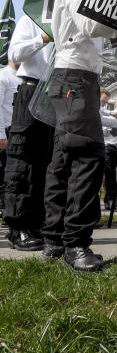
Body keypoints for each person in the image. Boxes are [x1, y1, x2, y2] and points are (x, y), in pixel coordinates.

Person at [43, 0, 117, 271]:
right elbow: (89, 25)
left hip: (74, 76)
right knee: (88, 156)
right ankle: (76, 244)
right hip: (75, 76)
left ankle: (55, 239)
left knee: (64, 158)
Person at [3, 14, 54, 251]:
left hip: (55, 94)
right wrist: (43, 37)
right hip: (31, 89)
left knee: (47, 162)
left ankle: (37, 223)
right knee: (23, 160)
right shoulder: (31, 19)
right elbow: (14, 54)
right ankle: (18, 226)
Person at [0, 61, 21, 219]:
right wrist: (1, 135)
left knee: (14, 173)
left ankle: (9, 208)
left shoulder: (23, 77)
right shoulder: (3, 77)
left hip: (19, 130)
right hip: (6, 130)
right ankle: (4, 207)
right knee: (6, 173)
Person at [100, 91, 117, 212]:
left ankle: (112, 199)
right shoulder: (109, 114)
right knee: (109, 175)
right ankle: (109, 200)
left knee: (116, 175)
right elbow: (104, 129)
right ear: (115, 103)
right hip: (108, 146)